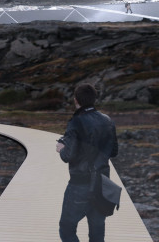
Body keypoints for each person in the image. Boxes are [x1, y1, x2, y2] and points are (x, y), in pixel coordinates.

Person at [55, 83, 118, 242]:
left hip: (79, 184)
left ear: (76, 100)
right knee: (97, 231)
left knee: (66, 227)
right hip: (102, 183)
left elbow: (67, 156)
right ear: (94, 99)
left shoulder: (76, 121)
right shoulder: (108, 120)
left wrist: (61, 148)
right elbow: (114, 152)